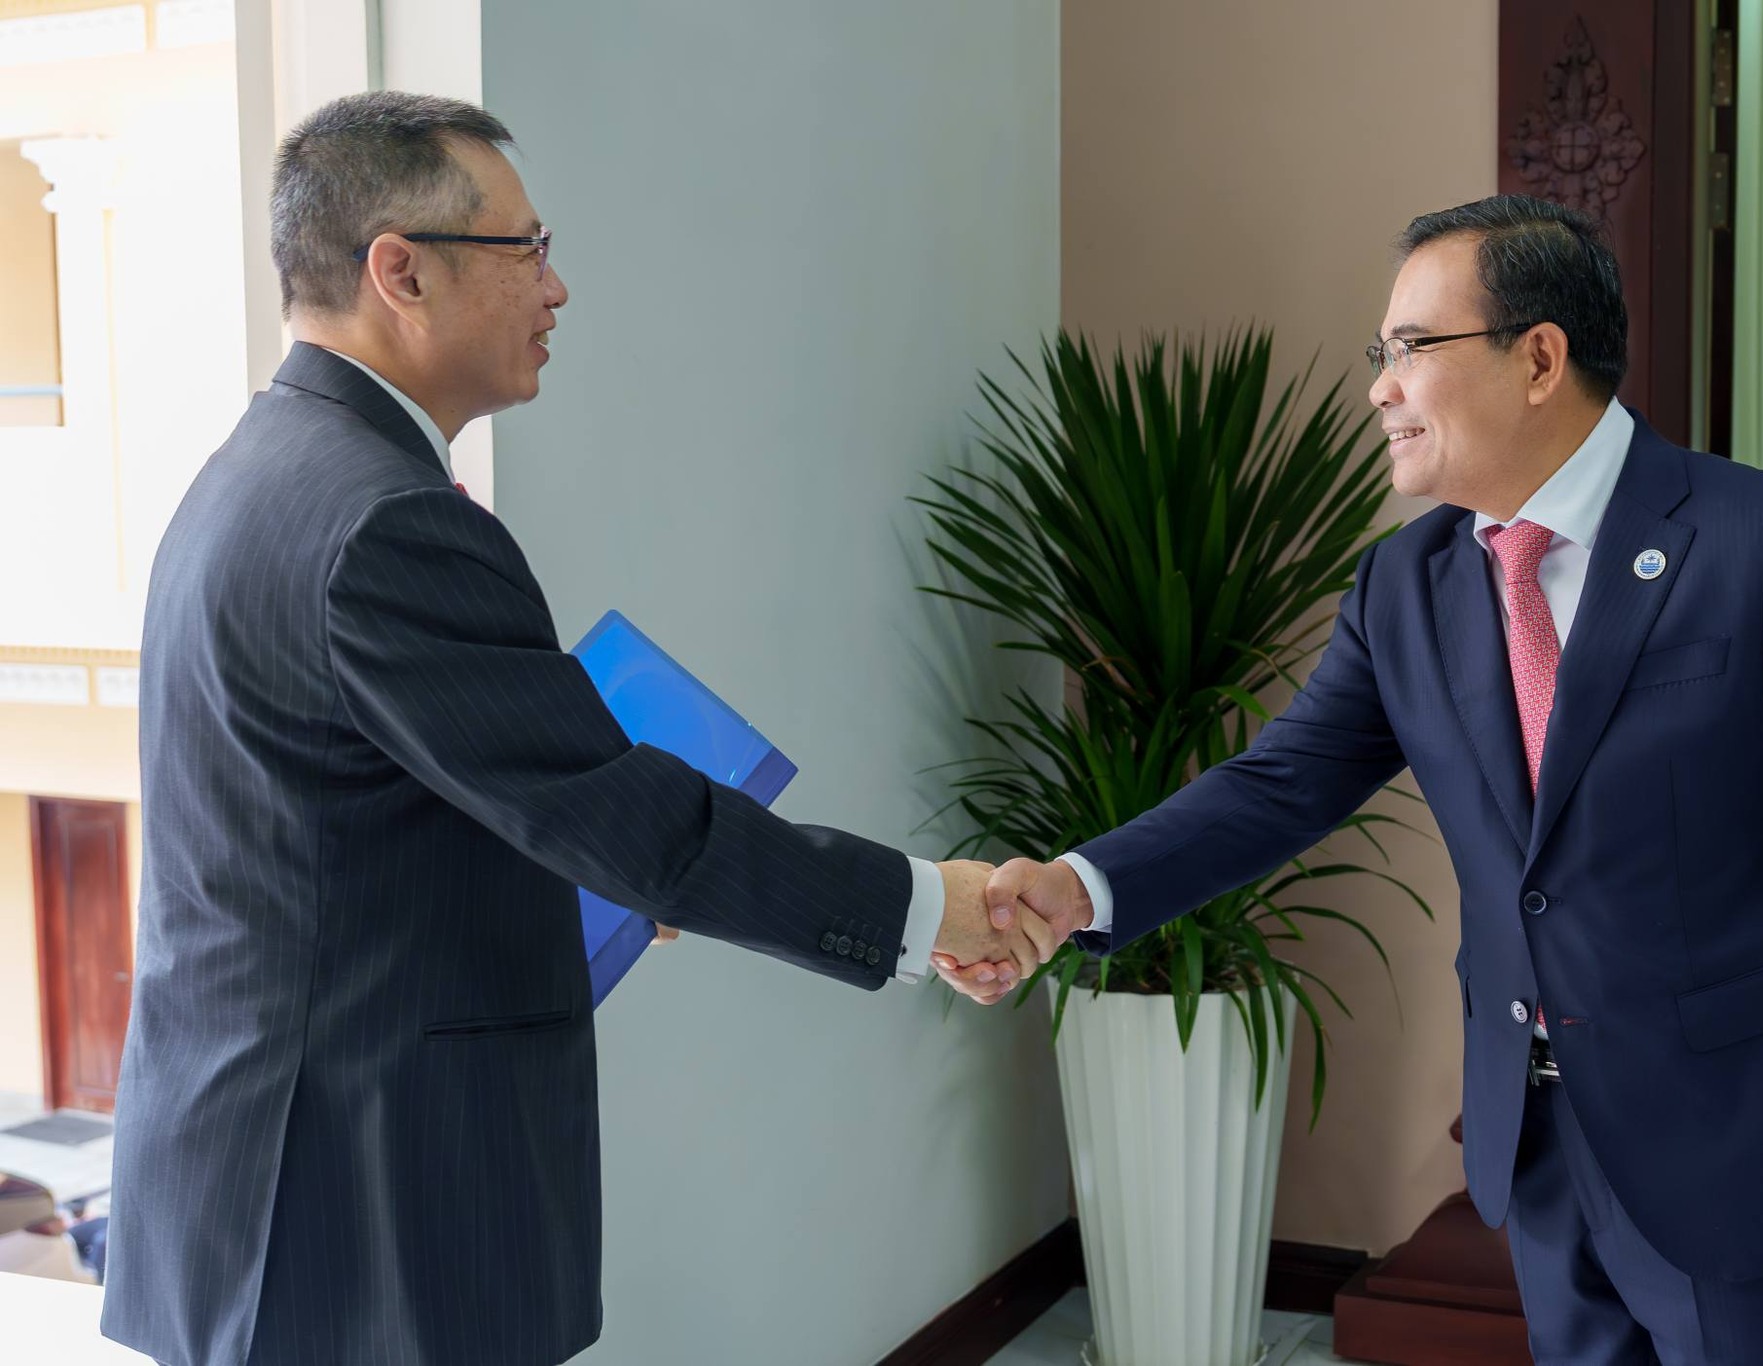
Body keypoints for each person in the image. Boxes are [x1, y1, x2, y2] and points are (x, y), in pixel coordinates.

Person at [937, 195, 1763, 1365]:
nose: (1377, 389)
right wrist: (1077, 888)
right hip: (1541, 1145)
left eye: (1409, 348)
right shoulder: (1404, 587)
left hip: (1752, 1148)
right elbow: (1280, 783)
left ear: (1537, 357)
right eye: (1377, 354)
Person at [102, 91, 1052, 1366]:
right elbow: (626, 818)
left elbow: (336, 823)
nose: (556, 288)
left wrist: (585, 854)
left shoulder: (254, 474)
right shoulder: (387, 521)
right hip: (359, 1199)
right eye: (526, 248)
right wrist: (928, 906)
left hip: (256, 1175)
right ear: (400, 271)